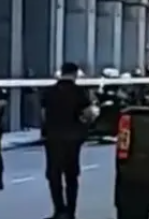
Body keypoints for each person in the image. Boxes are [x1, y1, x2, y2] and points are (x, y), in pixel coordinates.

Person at [41, 62, 98, 219]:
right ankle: (70, 212)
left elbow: (43, 114)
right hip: (73, 138)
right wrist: (84, 124)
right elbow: (88, 114)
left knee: (54, 174)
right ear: (74, 74)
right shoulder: (80, 92)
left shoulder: (50, 91)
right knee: (71, 175)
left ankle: (59, 209)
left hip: (53, 137)